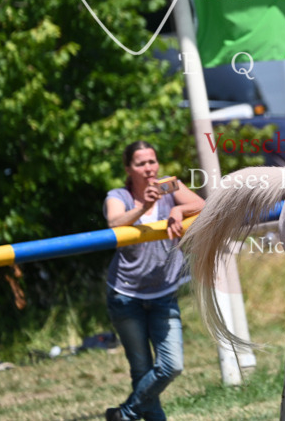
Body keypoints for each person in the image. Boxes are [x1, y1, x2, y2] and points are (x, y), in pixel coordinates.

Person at [104, 141, 205, 421]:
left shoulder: (167, 186)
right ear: (128, 168)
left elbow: (200, 203)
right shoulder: (119, 195)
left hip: (164, 294)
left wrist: (178, 211)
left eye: (152, 161)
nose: (148, 168)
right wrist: (144, 207)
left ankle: (124, 414)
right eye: (140, 163)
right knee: (141, 369)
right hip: (126, 295)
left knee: (171, 366)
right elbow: (114, 223)